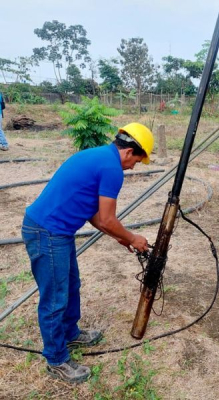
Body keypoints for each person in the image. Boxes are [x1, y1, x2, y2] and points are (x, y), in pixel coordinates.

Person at [21, 122, 154, 384]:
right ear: (129, 152)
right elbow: (106, 218)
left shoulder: (98, 156)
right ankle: (57, 360)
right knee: (55, 298)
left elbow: (92, 211)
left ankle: (70, 333)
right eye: (137, 162)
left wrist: (119, 236)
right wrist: (133, 237)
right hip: (47, 232)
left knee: (71, 285)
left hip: (55, 231)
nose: (133, 167)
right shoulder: (112, 168)